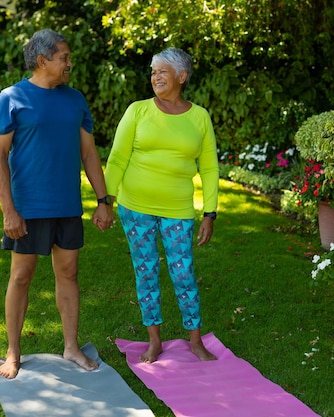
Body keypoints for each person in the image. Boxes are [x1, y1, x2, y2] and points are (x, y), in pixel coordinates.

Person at [0, 29, 114, 379]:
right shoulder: (11, 98)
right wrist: (8, 210)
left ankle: (71, 347)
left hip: (67, 205)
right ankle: (13, 353)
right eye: (64, 57)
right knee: (21, 276)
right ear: (43, 60)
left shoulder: (75, 99)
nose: (69, 63)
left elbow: (88, 152)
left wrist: (103, 200)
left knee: (69, 274)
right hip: (28, 207)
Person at [104, 47, 219, 363]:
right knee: (146, 272)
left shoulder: (199, 117)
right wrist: (106, 200)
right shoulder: (138, 111)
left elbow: (209, 168)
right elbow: (117, 158)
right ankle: (154, 340)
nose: (155, 76)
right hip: (135, 207)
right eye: (153, 71)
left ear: (181, 77)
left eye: (162, 71)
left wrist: (210, 212)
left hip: (178, 209)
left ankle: (195, 340)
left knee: (183, 274)